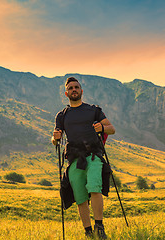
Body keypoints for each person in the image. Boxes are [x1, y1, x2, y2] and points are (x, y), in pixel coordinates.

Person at [52, 77, 115, 239]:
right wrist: (55, 138)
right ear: (66, 93)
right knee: (80, 198)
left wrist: (102, 127)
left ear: (81, 91)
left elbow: (112, 129)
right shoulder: (62, 115)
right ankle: (88, 233)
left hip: (93, 155)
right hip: (74, 159)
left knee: (95, 187)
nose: (74, 89)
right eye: (71, 88)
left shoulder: (93, 110)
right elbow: (55, 140)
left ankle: (99, 227)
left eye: (77, 87)